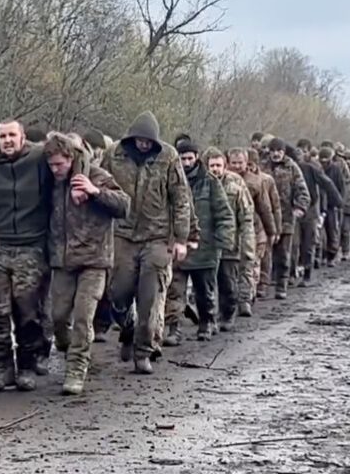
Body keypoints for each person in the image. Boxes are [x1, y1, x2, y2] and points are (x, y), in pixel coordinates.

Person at [100, 111, 192, 374]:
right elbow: (100, 185)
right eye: (139, 140)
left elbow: (181, 198)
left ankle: (143, 351)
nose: (143, 144)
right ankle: (126, 328)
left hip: (157, 236)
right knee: (117, 292)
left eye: (147, 141)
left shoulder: (168, 157)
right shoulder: (114, 154)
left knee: (149, 299)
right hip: (122, 234)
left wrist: (182, 238)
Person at [0, 119, 59, 392]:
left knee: (27, 310)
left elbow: (71, 156)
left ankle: (26, 365)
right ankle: (3, 367)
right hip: (0, 245)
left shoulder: (38, 158)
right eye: (2, 136)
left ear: (23, 137)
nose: (7, 140)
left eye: (12, 135)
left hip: (32, 245)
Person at [44, 133, 130, 394]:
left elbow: (124, 205)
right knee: (57, 317)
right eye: (51, 165)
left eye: (59, 164)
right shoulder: (50, 181)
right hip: (63, 260)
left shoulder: (96, 175)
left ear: (71, 157)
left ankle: (76, 369)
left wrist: (95, 193)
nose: (55, 169)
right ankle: (68, 346)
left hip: (94, 260)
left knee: (83, 317)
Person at [164, 142, 234, 344]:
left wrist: (223, 239)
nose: (186, 163)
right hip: (178, 245)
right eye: (183, 158)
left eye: (190, 158)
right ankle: (173, 329)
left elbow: (223, 212)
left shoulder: (210, 182)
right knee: (174, 290)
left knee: (204, 291)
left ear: (197, 157)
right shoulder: (171, 179)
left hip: (205, 246)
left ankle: (206, 322)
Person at [205, 147, 255, 331]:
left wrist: (247, 243)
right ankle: (210, 318)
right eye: (212, 165)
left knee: (227, 282)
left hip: (230, 242)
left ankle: (228, 314)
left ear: (224, 166)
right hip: (207, 242)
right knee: (207, 283)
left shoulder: (235, 184)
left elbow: (246, 215)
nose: (215, 169)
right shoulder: (202, 183)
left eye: (218, 165)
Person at [227, 147, 276, 315]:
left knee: (249, 265)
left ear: (246, 162)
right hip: (229, 231)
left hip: (253, 229)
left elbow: (265, 208)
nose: (237, 166)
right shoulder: (222, 180)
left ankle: (246, 299)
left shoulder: (256, 182)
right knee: (230, 268)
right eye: (233, 163)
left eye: (240, 163)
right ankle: (232, 299)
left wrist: (272, 231)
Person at [262, 138, 310, 299]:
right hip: (264, 217)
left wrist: (299, 207)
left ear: (283, 152)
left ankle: (282, 284)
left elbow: (302, 190)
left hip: (286, 217)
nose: (276, 154)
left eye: (279, 151)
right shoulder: (262, 166)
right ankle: (262, 285)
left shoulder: (292, 168)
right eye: (273, 151)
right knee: (264, 254)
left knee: (283, 254)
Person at [290, 141, 342, 286]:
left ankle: (307, 274)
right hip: (291, 209)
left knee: (308, 243)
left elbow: (327, 183)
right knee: (292, 245)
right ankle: (291, 274)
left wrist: (338, 201)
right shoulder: (285, 170)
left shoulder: (310, 169)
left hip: (310, 210)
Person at [247, 148, 281, 299]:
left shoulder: (265, 180)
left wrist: (275, 229)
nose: (248, 169)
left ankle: (263, 284)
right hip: (247, 225)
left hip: (261, 224)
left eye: (251, 165)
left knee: (264, 256)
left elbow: (273, 206)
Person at [318, 146, 345, 267]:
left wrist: (339, 203)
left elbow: (341, 187)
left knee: (332, 230)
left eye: (326, 160)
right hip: (319, 205)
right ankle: (321, 255)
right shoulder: (316, 168)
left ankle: (331, 256)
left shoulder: (336, 170)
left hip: (331, 205)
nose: (324, 162)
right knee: (319, 233)